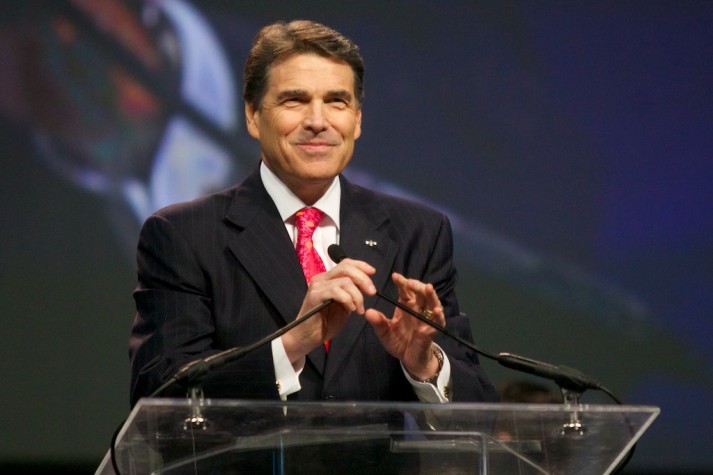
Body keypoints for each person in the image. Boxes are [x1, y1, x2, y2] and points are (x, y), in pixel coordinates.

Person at [129, 19, 497, 407]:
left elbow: (479, 409)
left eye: (337, 101)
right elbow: (158, 393)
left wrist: (424, 364)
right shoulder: (184, 233)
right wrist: (291, 345)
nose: (318, 122)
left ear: (357, 119)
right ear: (253, 116)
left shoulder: (418, 231)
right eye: (295, 100)